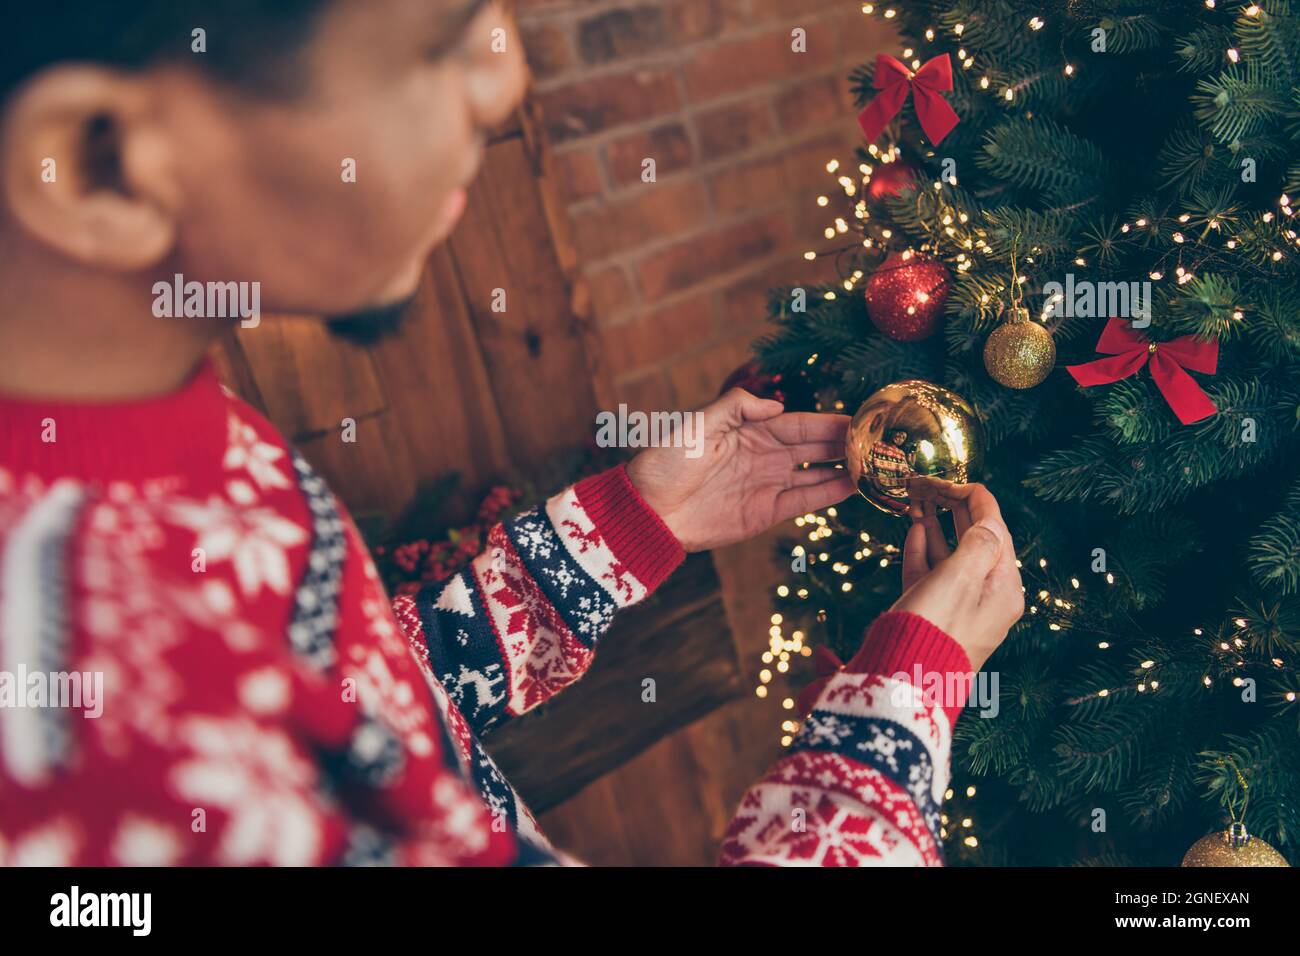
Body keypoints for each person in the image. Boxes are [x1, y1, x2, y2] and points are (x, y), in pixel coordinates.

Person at [0, 0, 1024, 866]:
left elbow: (361, 709)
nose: (505, 78)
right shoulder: (90, 746)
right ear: (98, 168)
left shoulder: (153, 416)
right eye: (441, 41)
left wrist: (624, 525)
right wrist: (903, 700)